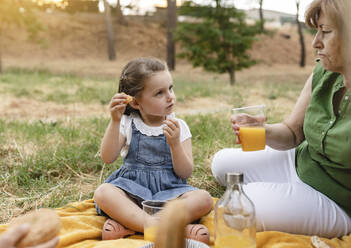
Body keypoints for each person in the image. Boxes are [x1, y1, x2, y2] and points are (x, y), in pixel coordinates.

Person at [211, 0, 351, 238]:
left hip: (336, 198)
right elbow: (293, 133)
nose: (316, 42)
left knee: (242, 207)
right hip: (299, 162)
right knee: (221, 164)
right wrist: (263, 130)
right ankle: (284, 194)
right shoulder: (324, 72)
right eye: (316, 30)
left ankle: (285, 200)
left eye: (325, 32)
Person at [94, 57, 213, 243]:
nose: (170, 96)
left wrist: (174, 145)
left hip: (171, 194)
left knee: (203, 198)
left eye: (170, 88)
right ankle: (173, 229)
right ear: (135, 103)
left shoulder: (178, 126)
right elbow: (107, 157)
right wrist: (115, 121)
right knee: (103, 193)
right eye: (159, 93)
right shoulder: (128, 123)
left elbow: (185, 172)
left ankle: (137, 226)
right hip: (132, 193)